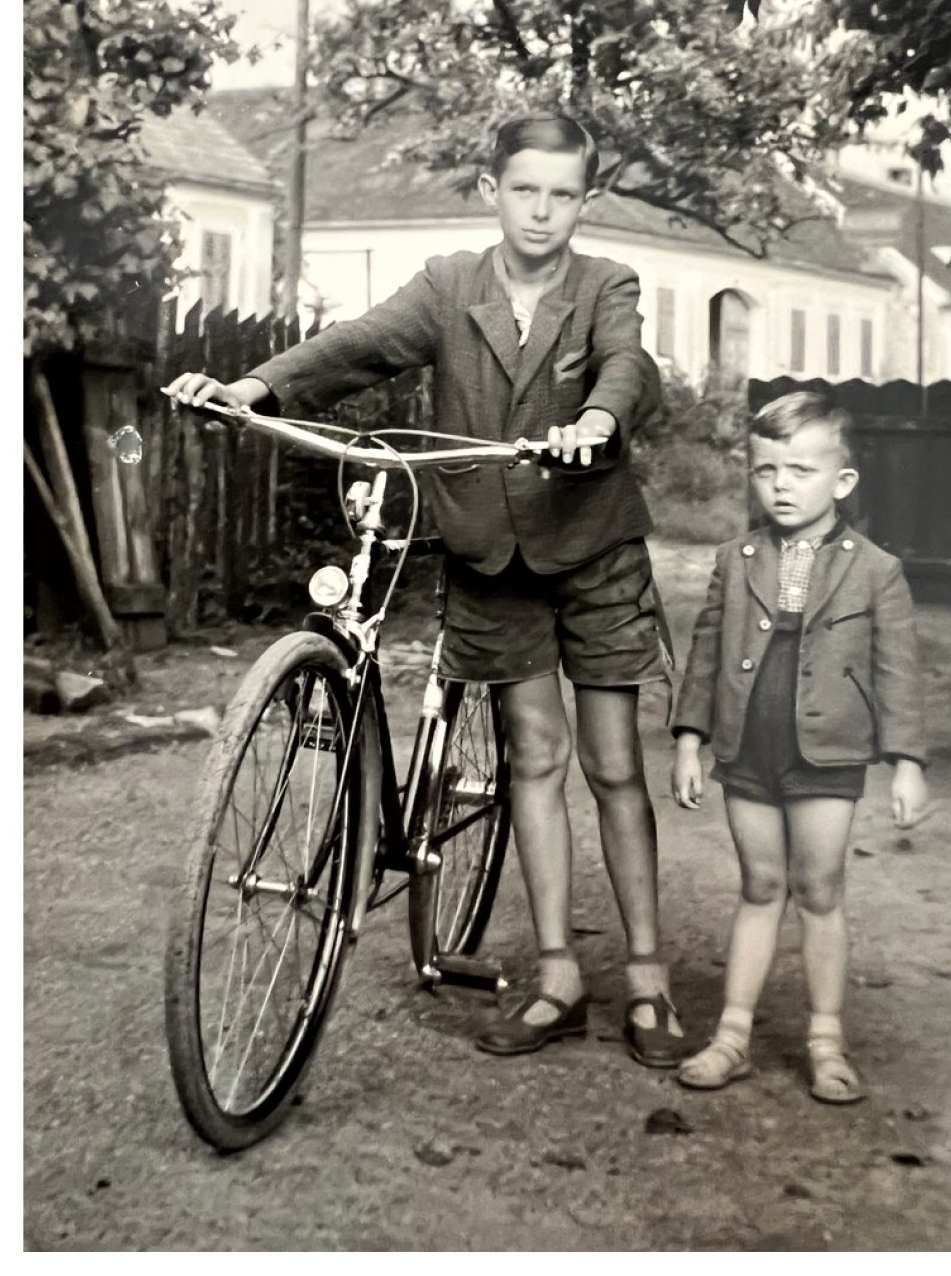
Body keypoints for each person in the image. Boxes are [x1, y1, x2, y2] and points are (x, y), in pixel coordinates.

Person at [165, 113, 686, 1068]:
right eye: (524, 190)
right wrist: (254, 389)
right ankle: (559, 976)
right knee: (534, 755)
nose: (542, 210)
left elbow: (628, 364)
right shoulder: (450, 285)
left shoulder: (605, 285)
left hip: (593, 549)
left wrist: (600, 418)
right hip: (490, 555)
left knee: (614, 764)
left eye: (563, 194)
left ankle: (648, 977)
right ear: (491, 191)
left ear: (585, 200)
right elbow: (356, 345)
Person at [669, 391, 930, 1102]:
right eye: (766, 470)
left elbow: (896, 671)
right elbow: (705, 653)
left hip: (829, 754)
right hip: (748, 745)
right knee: (759, 885)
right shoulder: (736, 558)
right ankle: (732, 1035)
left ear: (841, 481)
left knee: (820, 889)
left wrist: (907, 761)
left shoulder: (878, 569)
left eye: (802, 470)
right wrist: (690, 739)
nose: (781, 485)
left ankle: (825, 1038)